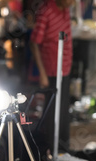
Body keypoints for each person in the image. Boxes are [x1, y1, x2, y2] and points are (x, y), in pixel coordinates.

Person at [30, 0, 74, 153]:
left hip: (65, 69)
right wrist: (42, 73)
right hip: (51, 72)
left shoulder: (66, 10)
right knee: (51, 114)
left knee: (63, 113)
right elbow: (34, 43)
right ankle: (48, 152)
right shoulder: (46, 11)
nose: (74, 2)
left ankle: (63, 150)